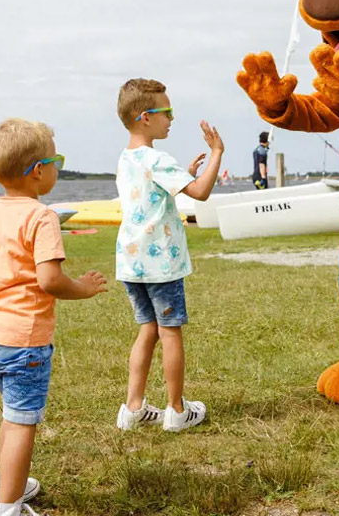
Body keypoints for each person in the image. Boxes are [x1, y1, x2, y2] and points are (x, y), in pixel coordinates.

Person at [0, 118, 108, 515]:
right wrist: (84, 287)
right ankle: (7, 507)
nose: (59, 168)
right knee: (22, 423)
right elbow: (50, 280)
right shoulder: (42, 217)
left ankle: (5, 485)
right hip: (23, 340)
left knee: (12, 416)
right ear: (38, 171)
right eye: (57, 161)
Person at [114, 78, 224, 432]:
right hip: (160, 264)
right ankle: (177, 411)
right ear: (145, 117)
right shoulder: (158, 158)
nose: (172, 118)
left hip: (132, 263)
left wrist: (184, 174)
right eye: (167, 111)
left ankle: (133, 409)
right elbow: (201, 192)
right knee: (170, 331)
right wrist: (217, 152)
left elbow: (151, 194)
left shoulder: (126, 159)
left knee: (147, 329)